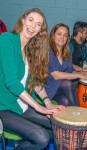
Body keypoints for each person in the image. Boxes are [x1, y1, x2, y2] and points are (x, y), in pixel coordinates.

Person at [0, 8, 65, 150]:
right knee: (42, 137)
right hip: (3, 107)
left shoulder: (30, 49)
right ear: (23, 20)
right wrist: (38, 107)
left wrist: (47, 102)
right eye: (31, 20)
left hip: (21, 105)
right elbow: (11, 82)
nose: (33, 26)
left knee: (58, 128)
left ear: (40, 30)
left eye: (38, 24)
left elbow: (34, 81)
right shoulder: (6, 39)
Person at [45, 23, 87, 106]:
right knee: (67, 83)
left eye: (65, 35)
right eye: (59, 34)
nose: (62, 37)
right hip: (48, 88)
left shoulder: (67, 52)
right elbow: (55, 75)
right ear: (53, 35)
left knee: (66, 101)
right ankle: (80, 114)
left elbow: (70, 71)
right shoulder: (48, 51)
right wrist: (80, 75)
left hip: (59, 89)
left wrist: (84, 73)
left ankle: (76, 115)